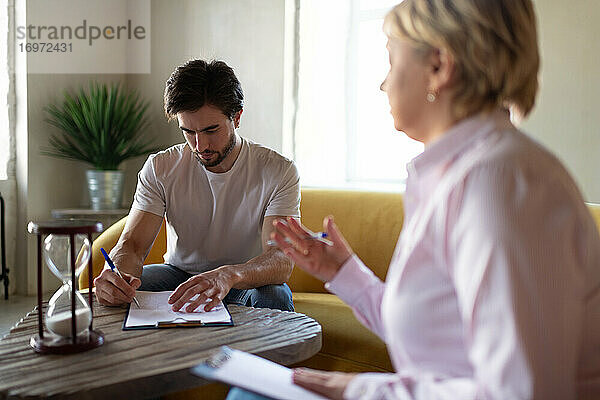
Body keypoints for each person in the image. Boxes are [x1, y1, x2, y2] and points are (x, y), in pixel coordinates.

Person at [230, 0, 600, 399]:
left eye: (392, 60)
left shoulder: (498, 183)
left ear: (439, 66)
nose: (383, 83)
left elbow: (522, 393)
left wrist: (361, 390)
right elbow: (438, 338)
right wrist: (343, 272)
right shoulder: (457, 174)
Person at [94, 59, 299, 313]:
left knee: (275, 297)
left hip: (245, 281)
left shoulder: (278, 170)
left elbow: (280, 258)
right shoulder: (160, 168)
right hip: (180, 276)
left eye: (211, 130)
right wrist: (116, 274)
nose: (200, 146)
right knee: (122, 294)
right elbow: (132, 245)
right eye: (189, 132)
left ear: (236, 117)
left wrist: (229, 275)